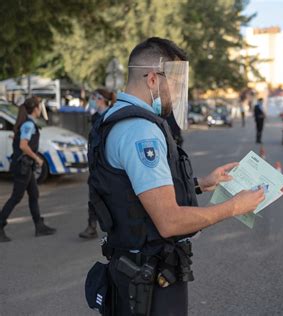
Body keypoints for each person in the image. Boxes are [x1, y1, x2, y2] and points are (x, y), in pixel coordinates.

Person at [86, 37, 264, 315]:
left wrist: (201, 184)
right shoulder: (140, 131)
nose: (179, 94)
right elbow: (169, 222)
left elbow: (131, 192)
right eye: (176, 85)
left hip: (134, 271)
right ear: (153, 80)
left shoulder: (116, 116)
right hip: (150, 279)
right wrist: (233, 207)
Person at [0, 97, 56, 242]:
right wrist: (37, 158)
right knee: (16, 197)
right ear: (36, 109)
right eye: (39, 106)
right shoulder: (28, 125)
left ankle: (39, 225)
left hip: (25, 166)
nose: (41, 109)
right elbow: (23, 146)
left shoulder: (27, 124)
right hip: (22, 167)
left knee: (34, 194)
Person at [79, 89, 116, 239]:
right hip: (96, 165)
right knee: (93, 195)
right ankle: (92, 226)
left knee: (112, 197)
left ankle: (116, 227)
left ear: (101, 99)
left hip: (109, 164)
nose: (91, 100)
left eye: (94, 98)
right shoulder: (95, 117)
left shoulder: (112, 116)